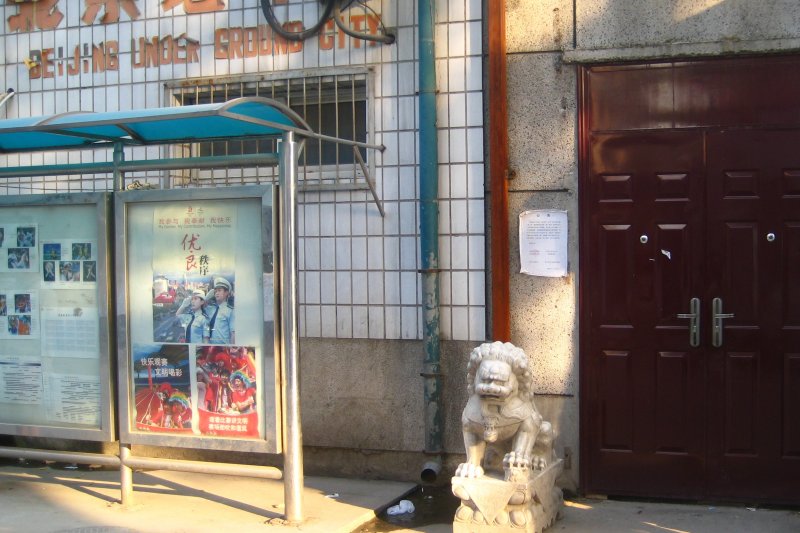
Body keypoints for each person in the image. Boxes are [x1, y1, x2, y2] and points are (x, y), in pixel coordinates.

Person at [207, 277, 235, 344]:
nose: (217, 293)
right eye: (215, 291)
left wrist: (231, 349)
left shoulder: (230, 311)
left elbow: (233, 333)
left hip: (223, 348)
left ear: (226, 292)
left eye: (219, 290)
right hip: (209, 347)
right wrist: (206, 298)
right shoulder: (210, 309)